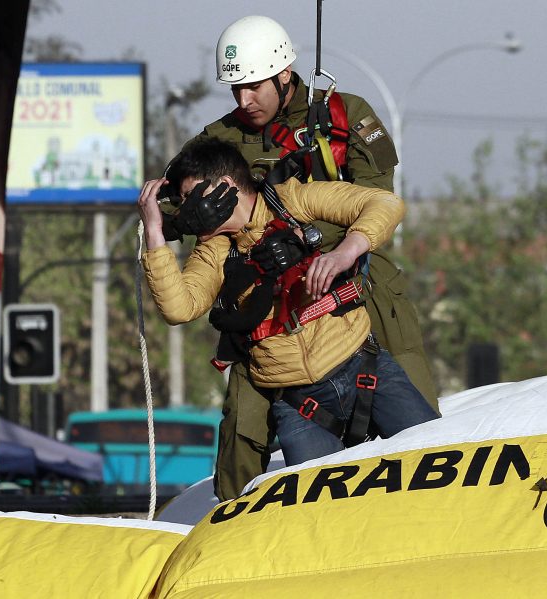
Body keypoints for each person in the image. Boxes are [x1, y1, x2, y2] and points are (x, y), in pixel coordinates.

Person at [188, 15, 440, 500]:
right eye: (235, 88)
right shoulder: (217, 142)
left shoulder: (344, 117)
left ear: (284, 74)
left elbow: (376, 201)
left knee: (417, 415)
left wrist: (308, 236)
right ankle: (234, 531)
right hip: (266, 298)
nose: (245, 100)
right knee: (243, 425)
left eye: (255, 86)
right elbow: (175, 200)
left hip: (355, 282)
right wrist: (184, 214)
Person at [139, 138, 439, 466]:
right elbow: (179, 308)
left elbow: (385, 203)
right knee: (317, 509)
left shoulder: (292, 200)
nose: (185, 210)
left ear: (224, 186)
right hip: (299, 403)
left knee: (436, 460)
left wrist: (345, 252)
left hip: (363, 368)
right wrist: (154, 232)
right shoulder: (215, 249)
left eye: (189, 196)